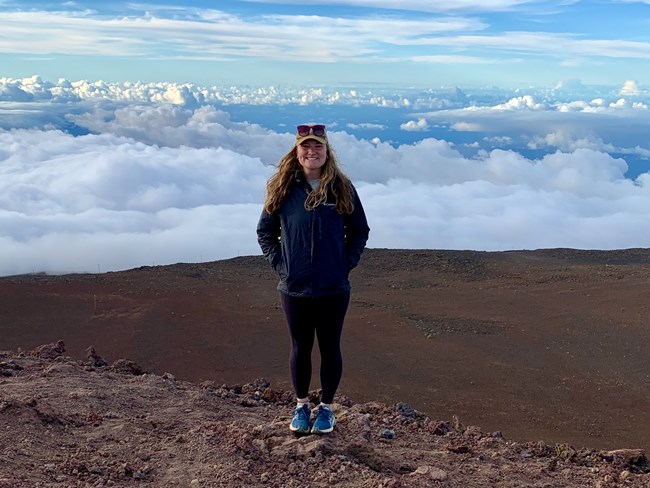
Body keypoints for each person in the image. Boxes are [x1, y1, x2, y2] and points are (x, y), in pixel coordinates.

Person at [257, 124, 370, 435]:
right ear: (297, 151)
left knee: (330, 347)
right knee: (300, 347)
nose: (312, 152)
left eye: (317, 146)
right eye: (306, 147)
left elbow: (359, 230)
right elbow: (265, 232)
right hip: (294, 287)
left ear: (326, 151)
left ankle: (327, 409)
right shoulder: (283, 189)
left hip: (333, 287)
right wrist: (282, 265)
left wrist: (345, 264)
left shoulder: (341, 188)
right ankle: (301, 405)